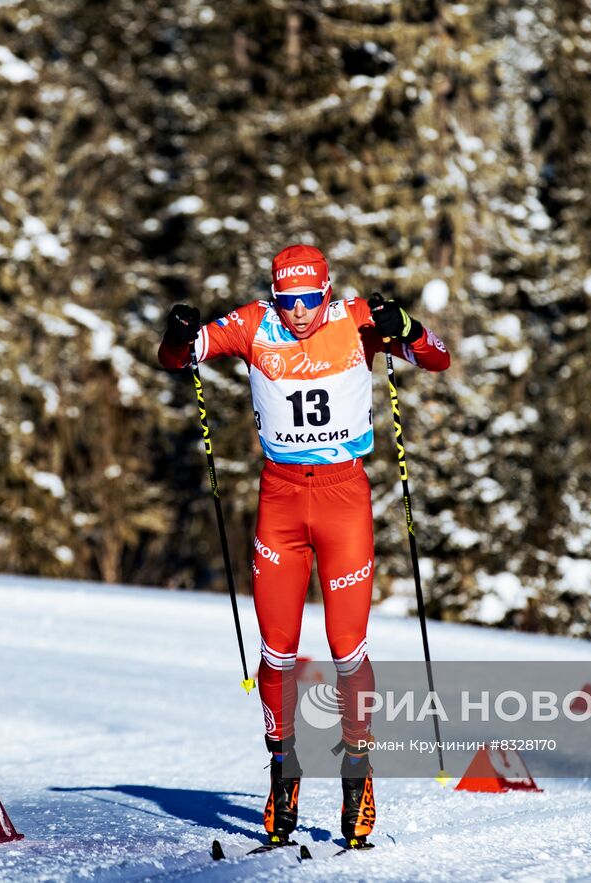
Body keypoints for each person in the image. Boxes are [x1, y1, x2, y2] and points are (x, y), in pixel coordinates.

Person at [157, 243, 450, 849]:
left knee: (347, 649)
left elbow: (437, 359)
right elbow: (176, 360)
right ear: (274, 293)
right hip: (281, 502)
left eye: (308, 300)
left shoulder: (354, 320)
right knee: (277, 651)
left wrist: (410, 328)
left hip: (343, 500)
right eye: (288, 300)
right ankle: (282, 770)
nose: (297, 313)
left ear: (326, 290)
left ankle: (357, 776)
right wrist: (179, 334)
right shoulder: (251, 324)